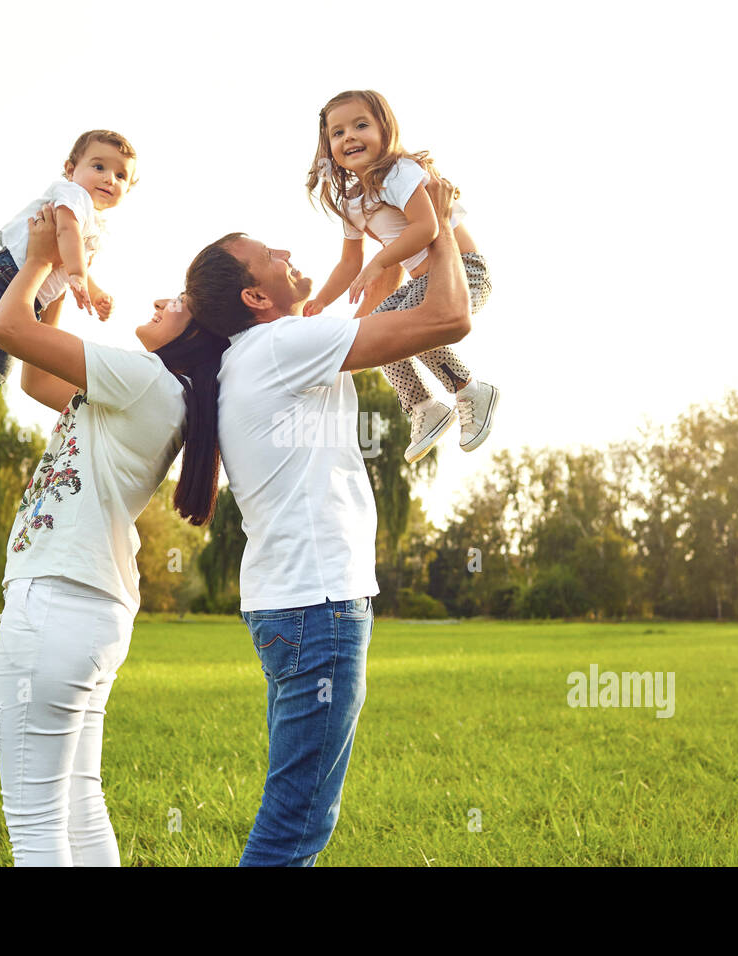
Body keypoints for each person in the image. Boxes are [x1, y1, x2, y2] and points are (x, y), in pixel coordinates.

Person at [185, 177, 471, 866]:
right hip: (318, 606)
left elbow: (380, 294)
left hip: (292, 605)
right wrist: (442, 223)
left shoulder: (257, 355)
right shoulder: (284, 346)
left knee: (297, 812)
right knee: (295, 825)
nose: (285, 249)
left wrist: (402, 233)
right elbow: (448, 319)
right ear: (256, 297)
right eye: (267, 255)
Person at [0, 203, 229, 866]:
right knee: (77, 801)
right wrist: (64, 286)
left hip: (59, 598)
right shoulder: (159, 393)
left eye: (178, 302)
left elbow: (7, 328)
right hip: (93, 608)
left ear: (197, 335)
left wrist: (41, 258)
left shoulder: (144, 379)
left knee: (33, 818)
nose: (160, 300)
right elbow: (37, 377)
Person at [0, 130, 137, 471]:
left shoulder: (96, 227)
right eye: (98, 166)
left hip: (25, 301)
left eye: (121, 175)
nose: (109, 178)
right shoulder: (72, 195)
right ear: (70, 169)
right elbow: (65, 232)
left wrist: (93, 291)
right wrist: (78, 274)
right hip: (0, 277)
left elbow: (71, 257)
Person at [304, 90, 499, 464]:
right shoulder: (351, 202)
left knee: (413, 325)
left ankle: (470, 389)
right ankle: (424, 406)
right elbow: (349, 262)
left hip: (464, 271)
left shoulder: (399, 172)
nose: (350, 137)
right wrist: (322, 300)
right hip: (422, 283)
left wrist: (379, 264)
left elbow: (427, 226)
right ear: (328, 146)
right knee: (380, 332)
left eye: (361, 125)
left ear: (384, 129)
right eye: (338, 132)